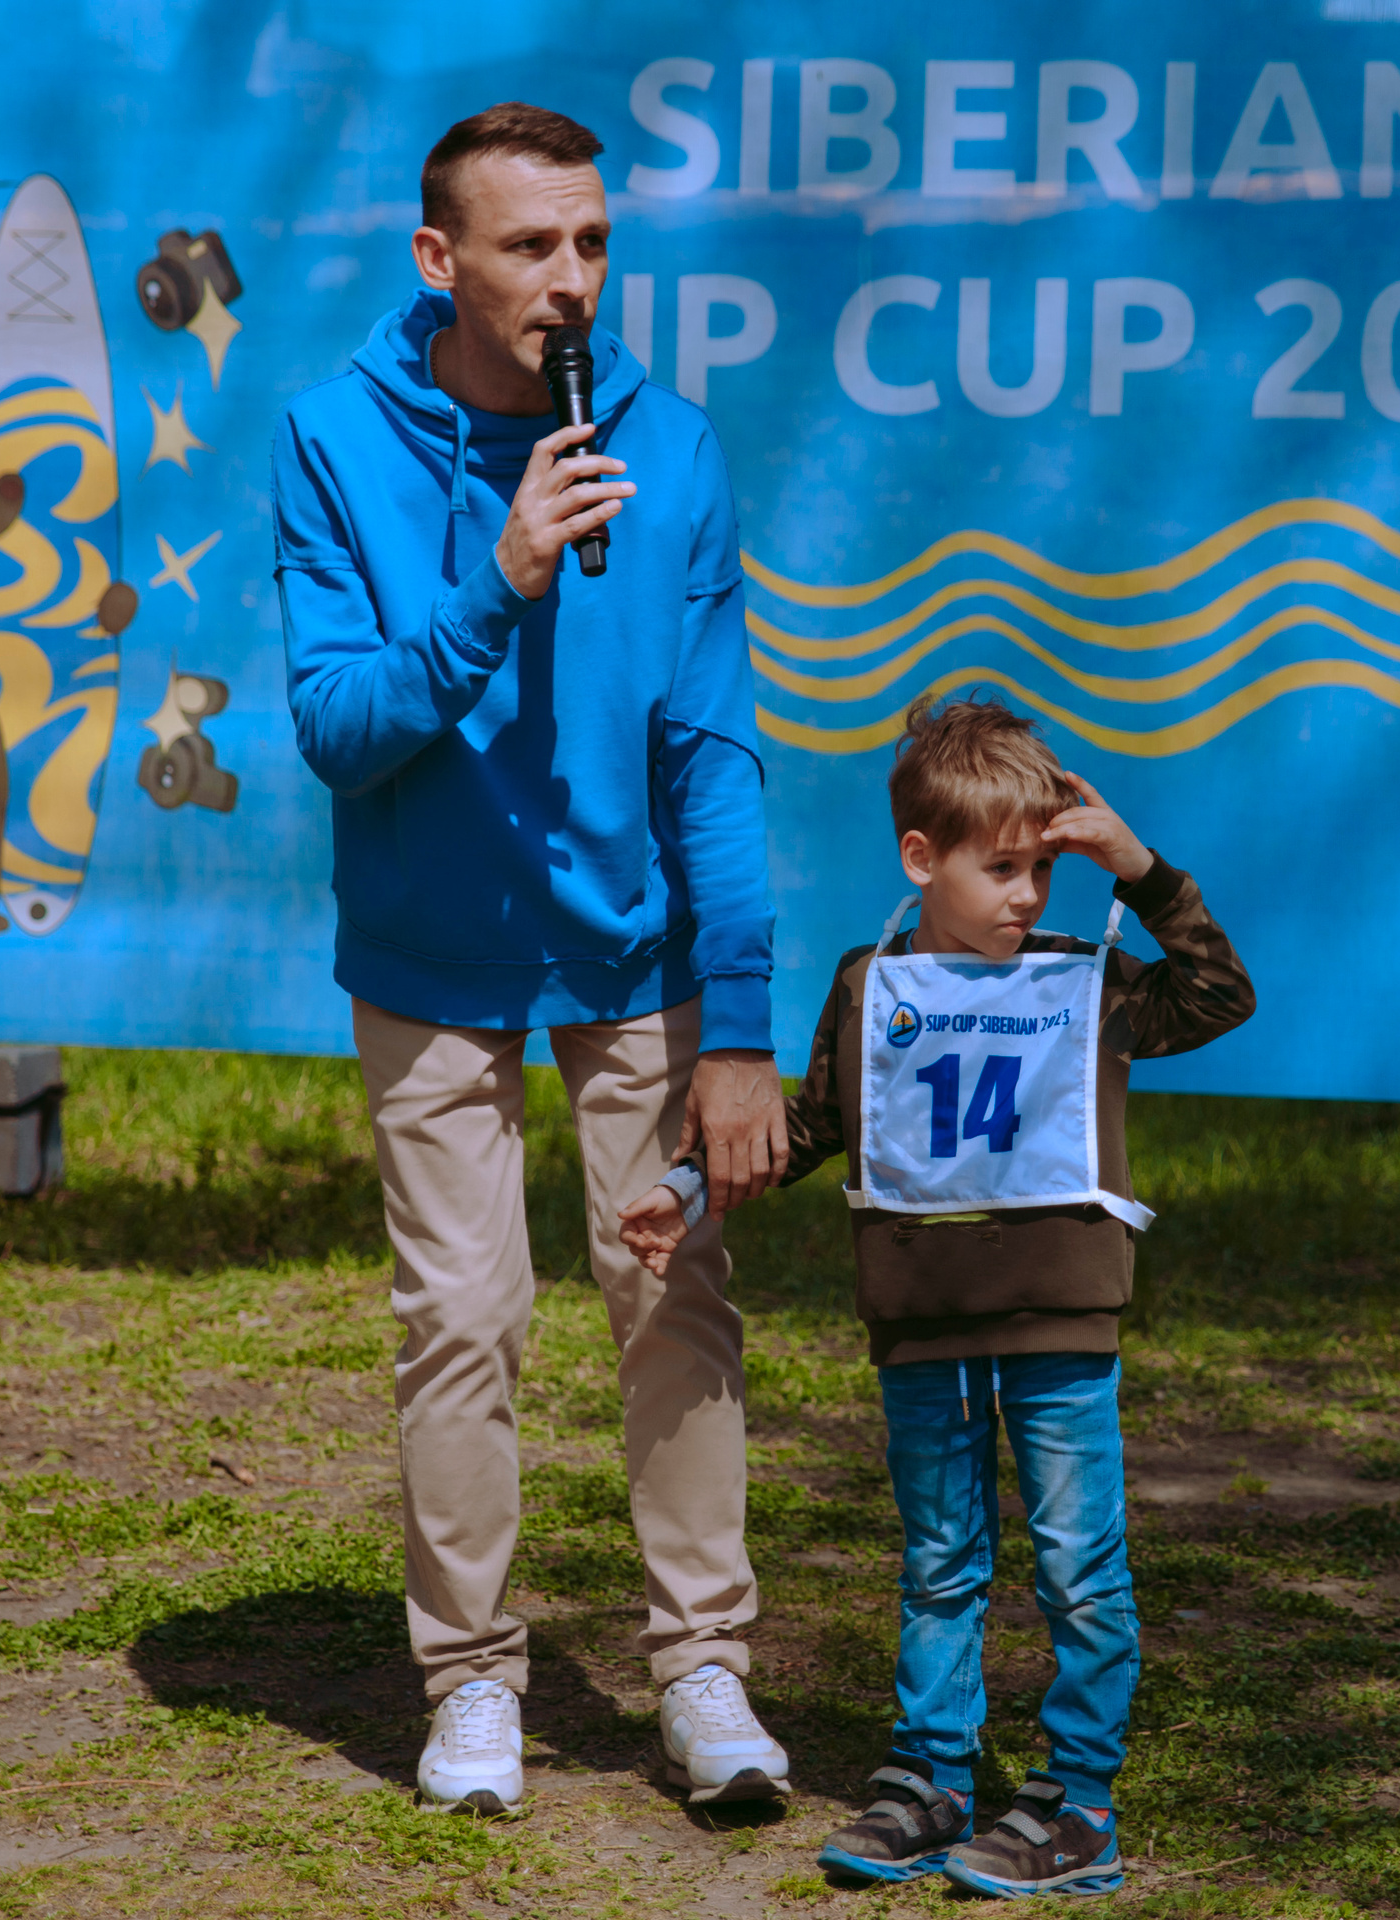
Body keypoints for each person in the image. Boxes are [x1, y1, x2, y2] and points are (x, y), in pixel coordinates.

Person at [272, 102, 792, 1818]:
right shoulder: (334, 438)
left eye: (591, 245)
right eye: (529, 248)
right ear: (440, 260)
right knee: (464, 1318)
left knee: (672, 1295)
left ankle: (704, 1664)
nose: (572, 283)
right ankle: (473, 1683)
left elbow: (710, 752)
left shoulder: (671, 449)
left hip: (635, 955)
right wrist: (497, 580)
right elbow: (342, 730)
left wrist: (742, 1021)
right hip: (429, 962)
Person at [620, 696, 1256, 1897]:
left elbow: (1220, 995)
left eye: (1042, 869)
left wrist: (1143, 870)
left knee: (1077, 1561)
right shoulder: (872, 987)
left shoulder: (1087, 982)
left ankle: (1076, 1801)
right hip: (919, 1328)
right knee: (941, 1561)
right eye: (1001, 867)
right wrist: (691, 1186)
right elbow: (809, 1124)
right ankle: (930, 1777)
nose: (1029, 894)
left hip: (1060, 1325)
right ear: (922, 859)